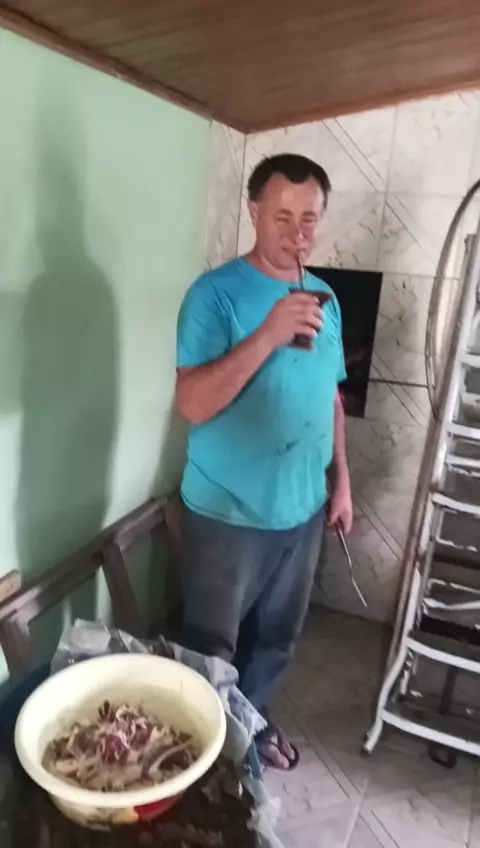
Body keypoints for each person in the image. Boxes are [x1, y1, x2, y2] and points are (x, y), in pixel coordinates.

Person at [175, 154, 353, 770]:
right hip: (227, 512)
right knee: (210, 647)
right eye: (282, 216)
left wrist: (341, 482)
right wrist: (269, 333)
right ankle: (202, 755)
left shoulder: (326, 297)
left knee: (276, 638)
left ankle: (248, 730)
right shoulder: (213, 295)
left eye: (310, 219)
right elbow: (193, 403)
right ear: (254, 212)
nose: (298, 233)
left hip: (302, 509)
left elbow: (330, 397)